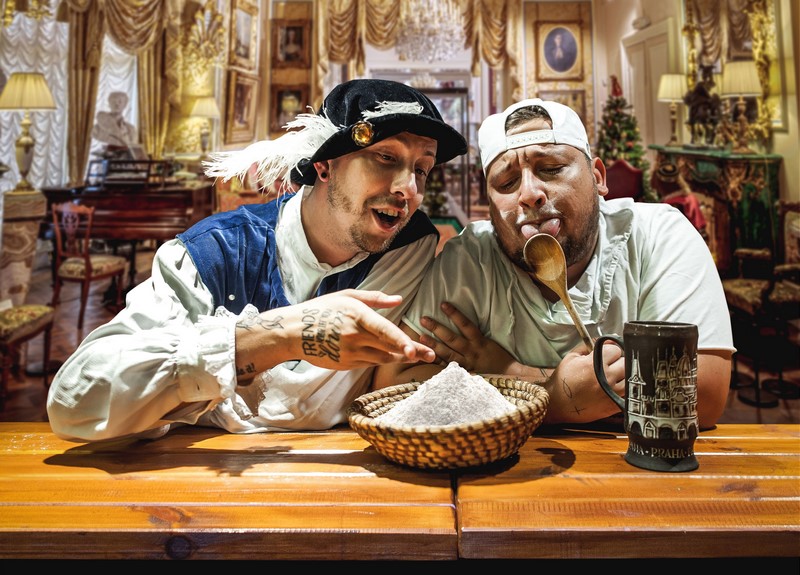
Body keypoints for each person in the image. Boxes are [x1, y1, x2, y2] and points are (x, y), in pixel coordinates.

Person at [47, 79, 467, 442]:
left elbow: (304, 407)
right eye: (386, 157)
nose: (409, 188)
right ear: (324, 165)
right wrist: (282, 336)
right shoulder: (215, 252)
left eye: (422, 168)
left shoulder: (411, 247)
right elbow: (75, 402)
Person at [373, 98, 734, 430]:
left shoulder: (657, 236)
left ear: (597, 177)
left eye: (551, 168)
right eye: (507, 182)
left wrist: (511, 374)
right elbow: (392, 386)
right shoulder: (470, 259)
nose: (529, 194)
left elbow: (702, 393)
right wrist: (554, 398)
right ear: (490, 205)